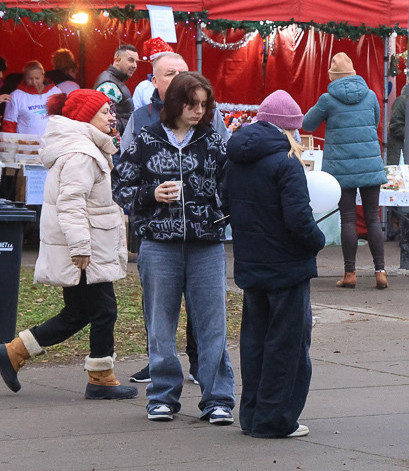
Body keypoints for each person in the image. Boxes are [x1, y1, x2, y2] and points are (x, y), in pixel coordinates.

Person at [112, 71, 236, 424]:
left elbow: (231, 188)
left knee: (212, 325)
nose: (199, 111)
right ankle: (162, 396)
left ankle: (218, 399)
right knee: (160, 325)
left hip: (206, 245)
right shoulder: (147, 139)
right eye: (192, 104)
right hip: (158, 245)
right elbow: (120, 186)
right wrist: (151, 194)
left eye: (204, 105)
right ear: (175, 103)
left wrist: (219, 216)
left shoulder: (213, 142)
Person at [0, 90, 137, 399]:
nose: (111, 117)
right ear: (86, 117)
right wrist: (81, 248)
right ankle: (101, 378)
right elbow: (71, 203)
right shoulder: (82, 153)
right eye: (104, 112)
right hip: (87, 248)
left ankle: (13, 352)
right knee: (104, 310)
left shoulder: (82, 147)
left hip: (86, 244)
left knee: (77, 312)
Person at [226, 90, 326, 438]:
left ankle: (252, 415)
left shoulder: (236, 157)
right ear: (289, 128)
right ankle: (275, 419)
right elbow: (299, 219)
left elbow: (226, 203)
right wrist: (317, 240)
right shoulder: (286, 162)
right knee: (287, 346)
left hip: (251, 263)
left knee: (255, 342)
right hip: (287, 266)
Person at [302, 53, 388, 290]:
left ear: (333, 76)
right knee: (373, 217)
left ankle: (350, 273)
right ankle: (380, 271)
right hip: (370, 164)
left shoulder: (328, 99)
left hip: (341, 167)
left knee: (348, 218)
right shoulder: (370, 95)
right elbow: (375, 121)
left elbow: (307, 124)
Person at [2, 60, 58, 135]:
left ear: (43, 76)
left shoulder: (55, 92)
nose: (34, 82)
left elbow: (64, 119)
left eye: (37, 78)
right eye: (30, 79)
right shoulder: (15, 96)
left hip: (52, 140)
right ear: (24, 77)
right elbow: (9, 124)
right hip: (25, 142)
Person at [94, 44, 140, 134]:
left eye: (136, 62)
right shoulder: (109, 86)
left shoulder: (115, 81)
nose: (134, 65)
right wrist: (129, 125)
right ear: (117, 59)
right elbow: (105, 124)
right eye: (130, 60)